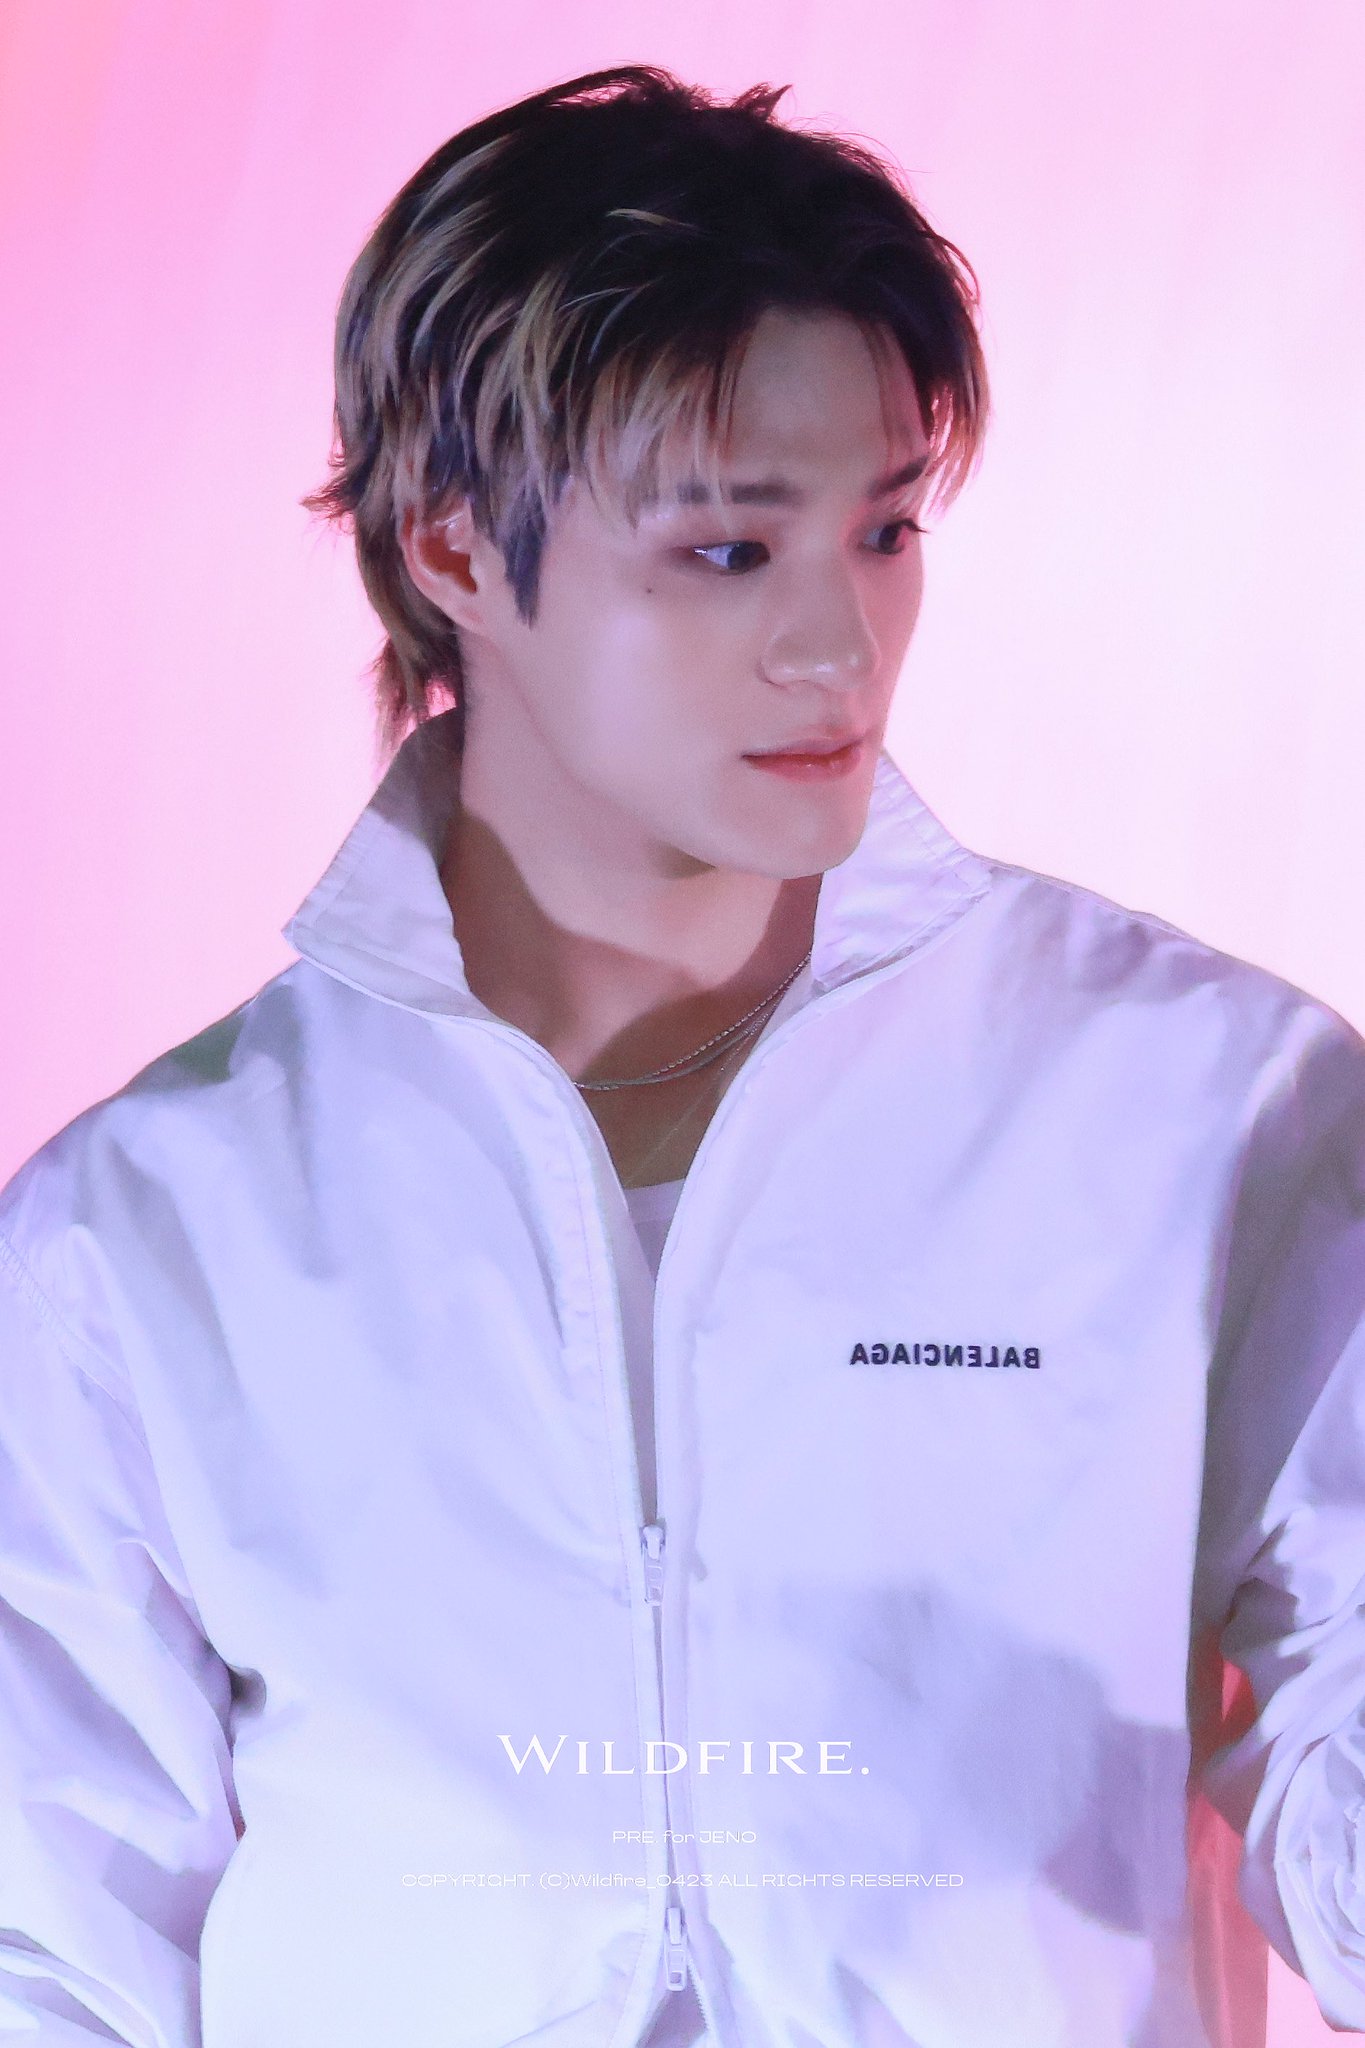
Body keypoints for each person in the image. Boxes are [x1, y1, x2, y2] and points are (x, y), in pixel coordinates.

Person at [0, 61, 1361, 2048]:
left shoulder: (1202, 1110)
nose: (838, 647)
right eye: (730, 550)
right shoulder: (143, 1234)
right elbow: (55, 1948)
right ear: (453, 548)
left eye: (881, 531)